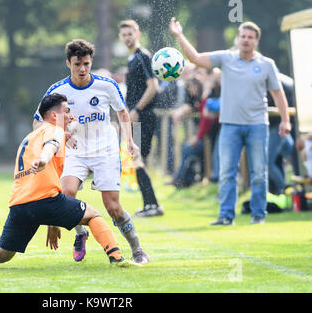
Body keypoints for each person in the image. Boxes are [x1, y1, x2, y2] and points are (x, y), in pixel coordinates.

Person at [0, 93, 140, 272]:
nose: (72, 116)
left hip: (19, 205)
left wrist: (53, 221)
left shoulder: (29, 137)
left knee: (3, 254)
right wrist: (44, 159)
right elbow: (51, 147)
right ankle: (117, 258)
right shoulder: (54, 131)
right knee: (93, 215)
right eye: (67, 111)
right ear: (54, 116)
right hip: (45, 200)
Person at [33, 39, 148, 264]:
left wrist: (130, 142)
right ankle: (80, 233)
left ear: (91, 62)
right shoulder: (57, 91)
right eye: (77, 64)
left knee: (113, 207)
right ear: (68, 63)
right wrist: (63, 135)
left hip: (105, 150)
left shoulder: (106, 85)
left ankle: (137, 249)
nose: (82, 69)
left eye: (86, 63)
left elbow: (123, 114)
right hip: (74, 152)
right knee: (66, 195)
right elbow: (37, 123)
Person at [170, 18, 291, 225]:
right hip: (230, 125)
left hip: (257, 125)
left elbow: (278, 93)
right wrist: (179, 36)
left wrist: (285, 120)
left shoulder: (266, 64)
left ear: (256, 41)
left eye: (250, 37)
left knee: (259, 173)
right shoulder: (226, 58)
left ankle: (258, 215)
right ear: (238, 38)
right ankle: (226, 216)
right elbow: (196, 58)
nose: (245, 40)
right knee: (226, 172)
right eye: (242, 36)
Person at [118, 19, 164, 217]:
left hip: (144, 115)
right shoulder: (131, 59)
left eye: (131, 34)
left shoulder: (143, 56)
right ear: (120, 37)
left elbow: (154, 87)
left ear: (137, 34)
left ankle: (153, 205)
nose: (128, 37)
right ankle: (149, 205)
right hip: (136, 115)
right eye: (124, 34)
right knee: (136, 158)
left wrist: (136, 108)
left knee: (137, 157)